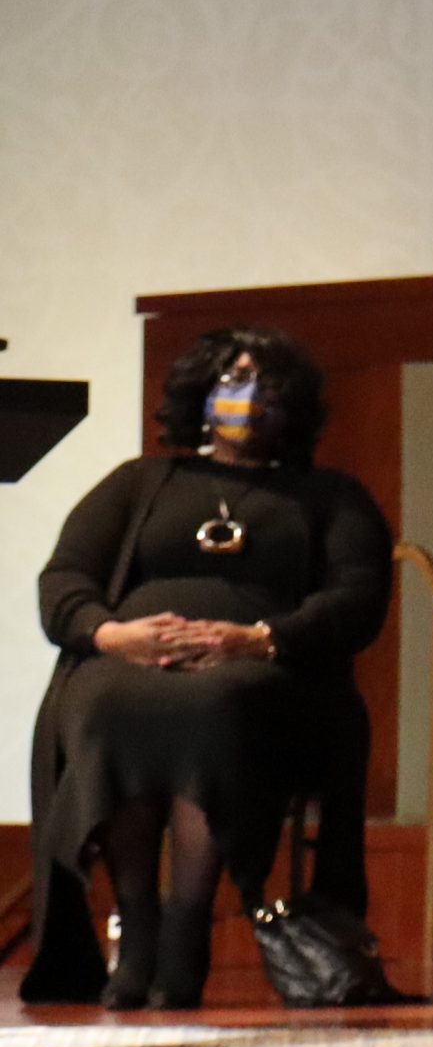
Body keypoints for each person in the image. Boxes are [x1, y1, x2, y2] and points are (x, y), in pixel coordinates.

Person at [21, 327, 392, 1009]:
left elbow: (358, 598)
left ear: (294, 408)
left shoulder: (331, 496)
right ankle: (139, 931)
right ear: (200, 395)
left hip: (261, 672)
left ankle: (187, 925)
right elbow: (64, 577)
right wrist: (112, 634)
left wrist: (256, 638)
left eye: (267, 387)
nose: (247, 400)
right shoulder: (139, 482)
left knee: (214, 706)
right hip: (130, 660)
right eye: (232, 382)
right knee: (108, 703)